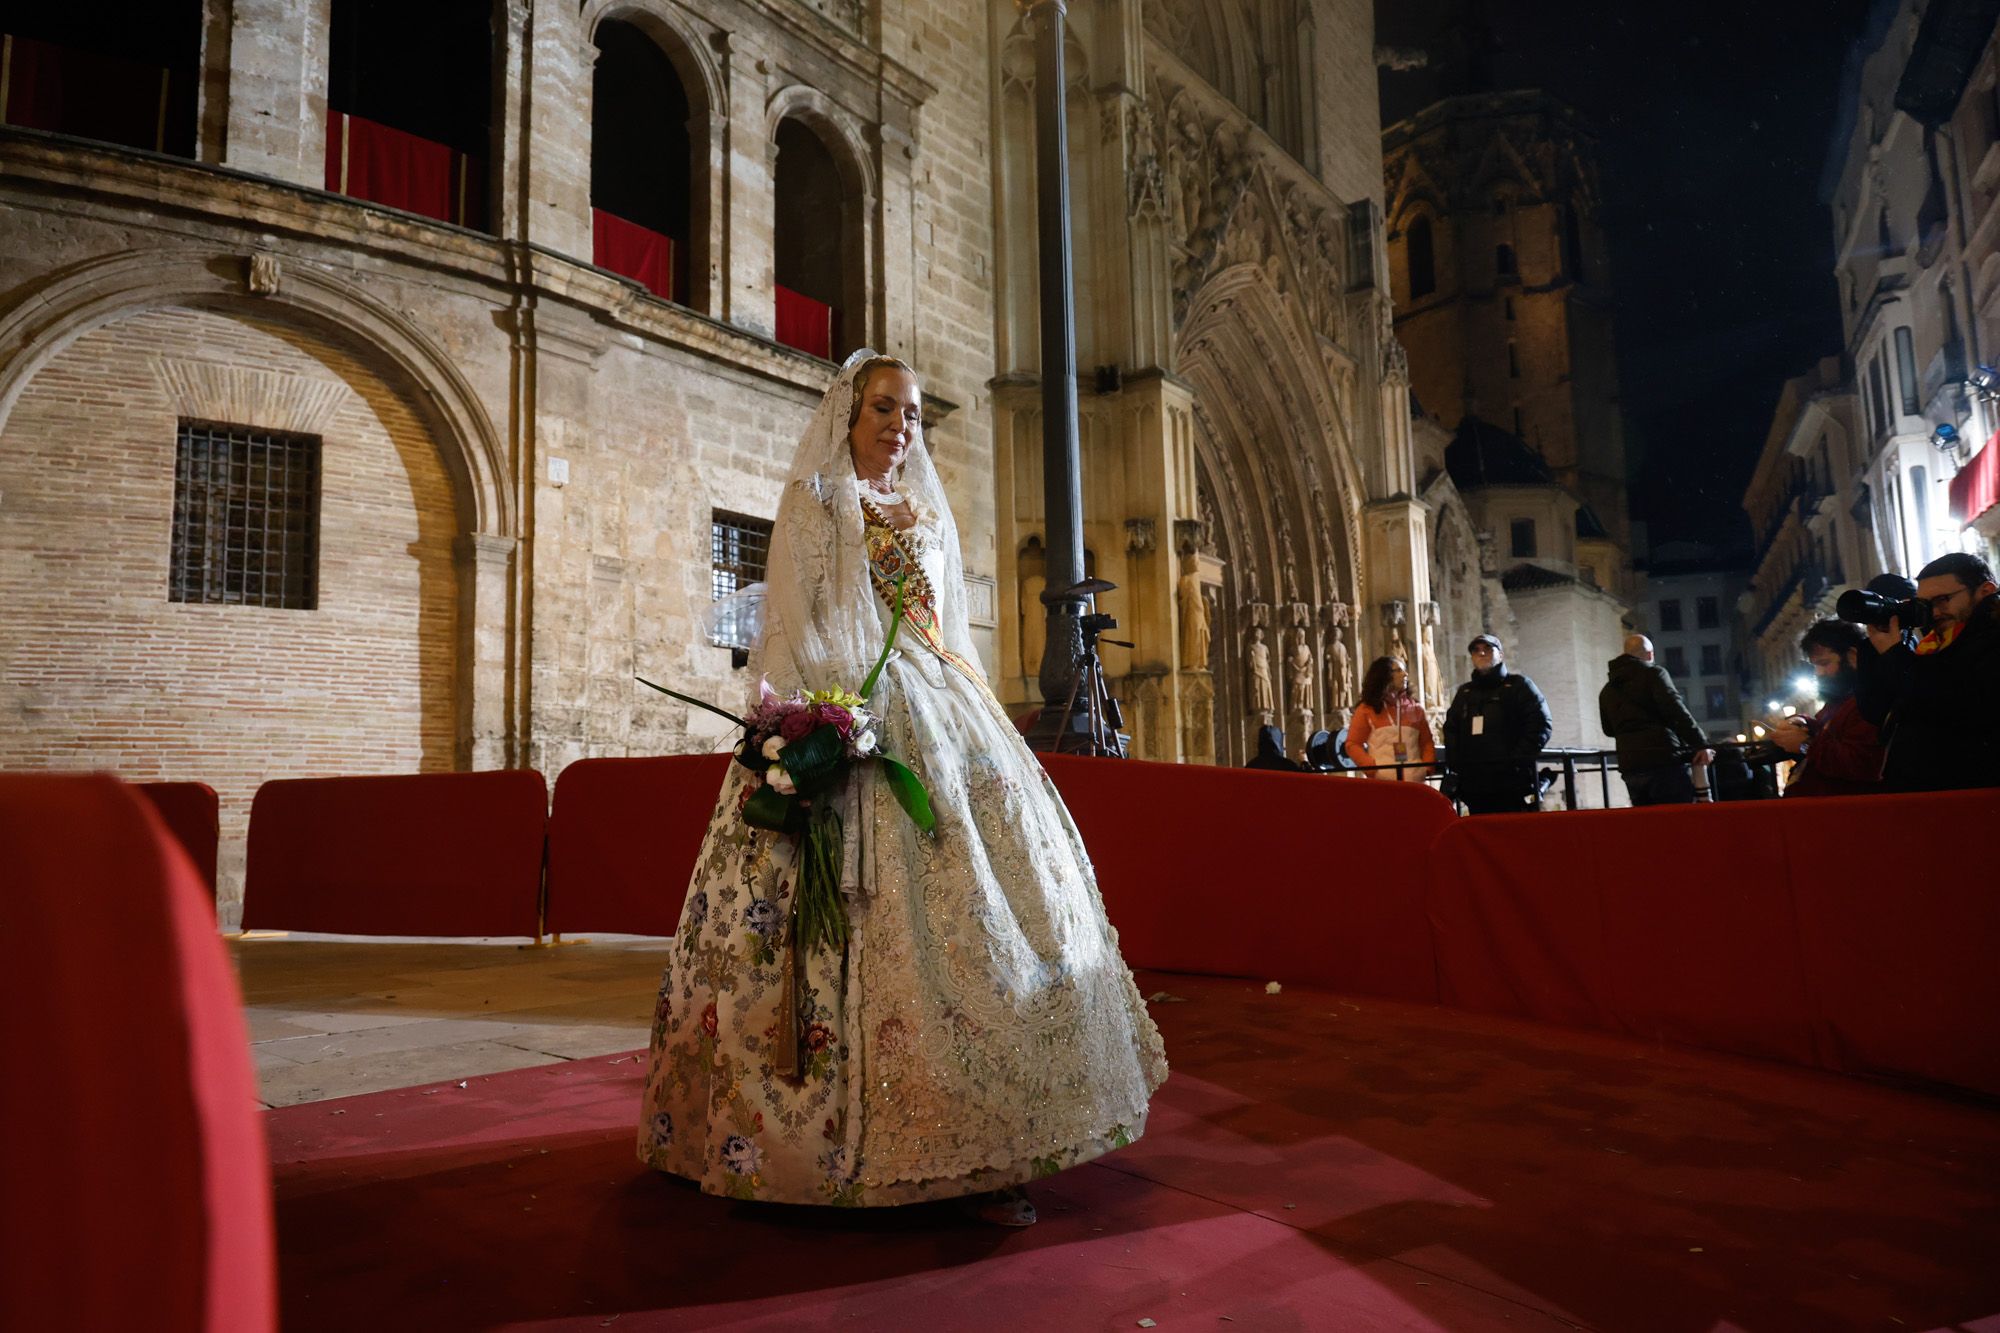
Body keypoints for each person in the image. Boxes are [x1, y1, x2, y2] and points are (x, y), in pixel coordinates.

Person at [637, 352, 1167, 1226]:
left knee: (991, 921)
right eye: (884, 407)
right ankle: (796, 1141)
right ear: (849, 413)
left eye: (913, 413)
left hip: (943, 710)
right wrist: (808, 729)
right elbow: (793, 625)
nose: (900, 425)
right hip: (844, 709)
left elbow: (948, 623)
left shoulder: (925, 510)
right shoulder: (815, 502)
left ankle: (990, 1141)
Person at [1856, 551, 2000, 791]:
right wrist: (1874, 651)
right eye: (1926, 604)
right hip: (1929, 794)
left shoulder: (1991, 641)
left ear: (1985, 591)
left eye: (1943, 599)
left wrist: (1895, 656)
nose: (1934, 613)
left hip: (1973, 794)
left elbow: (1955, 704)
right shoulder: (1930, 647)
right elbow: (1877, 711)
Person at [1769, 618, 1885, 798]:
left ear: (1852, 656)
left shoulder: (1868, 702)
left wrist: (1804, 745)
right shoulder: (1840, 701)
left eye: (1824, 663)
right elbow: (1827, 732)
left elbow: (1860, 763)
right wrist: (1800, 722)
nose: (1818, 673)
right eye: (1815, 665)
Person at [1440, 633, 1553, 814]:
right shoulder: (1465, 693)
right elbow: (1452, 729)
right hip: (1475, 782)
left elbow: (1540, 724)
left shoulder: (1519, 686)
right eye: (1476, 651)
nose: (1482, 654)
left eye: (1487, 649)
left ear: (1500, 654)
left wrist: (1517, 760)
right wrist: (1457, 766)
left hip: (1511, 780)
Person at [1597, 633, 1714, 806]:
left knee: (1648, 823)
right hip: (1663, 760)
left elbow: (1608, 729)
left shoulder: (1608, 690)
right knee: (1677, 820)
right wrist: (1701, 744)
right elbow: (1676, 711)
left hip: (1631, 766)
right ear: (1650, 654)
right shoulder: (1654, 674)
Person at [1344, 655, 1436, 782]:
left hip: (1415, 780)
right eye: (1398, 670)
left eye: (1404, 670)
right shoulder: (1367, 709)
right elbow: (1353, 744)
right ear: (1384, 675)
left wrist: (1426, 768)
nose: (1405, 674)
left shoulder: (1416, 708)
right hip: (1383, 782)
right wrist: (1372, 768)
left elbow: (1426, 742)